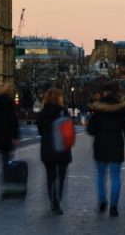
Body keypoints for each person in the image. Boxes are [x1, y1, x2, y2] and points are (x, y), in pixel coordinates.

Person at [87, 79, 125, 217]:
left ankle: (102, 202)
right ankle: (114, 207)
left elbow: (91, 130)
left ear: (105, 92)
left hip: (100, 146)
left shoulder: (98, 109)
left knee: (101, 176)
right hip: (116, 145)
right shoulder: (121, 108)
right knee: (115, 177)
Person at [36, 87, 73, 215]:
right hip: (62, 148)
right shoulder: (63, 112)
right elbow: (69, 129)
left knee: (50, 176)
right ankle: (57, 199)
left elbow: (40, 131)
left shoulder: (42, 113)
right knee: (61, 177)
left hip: (47, 149)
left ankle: (53, 201)